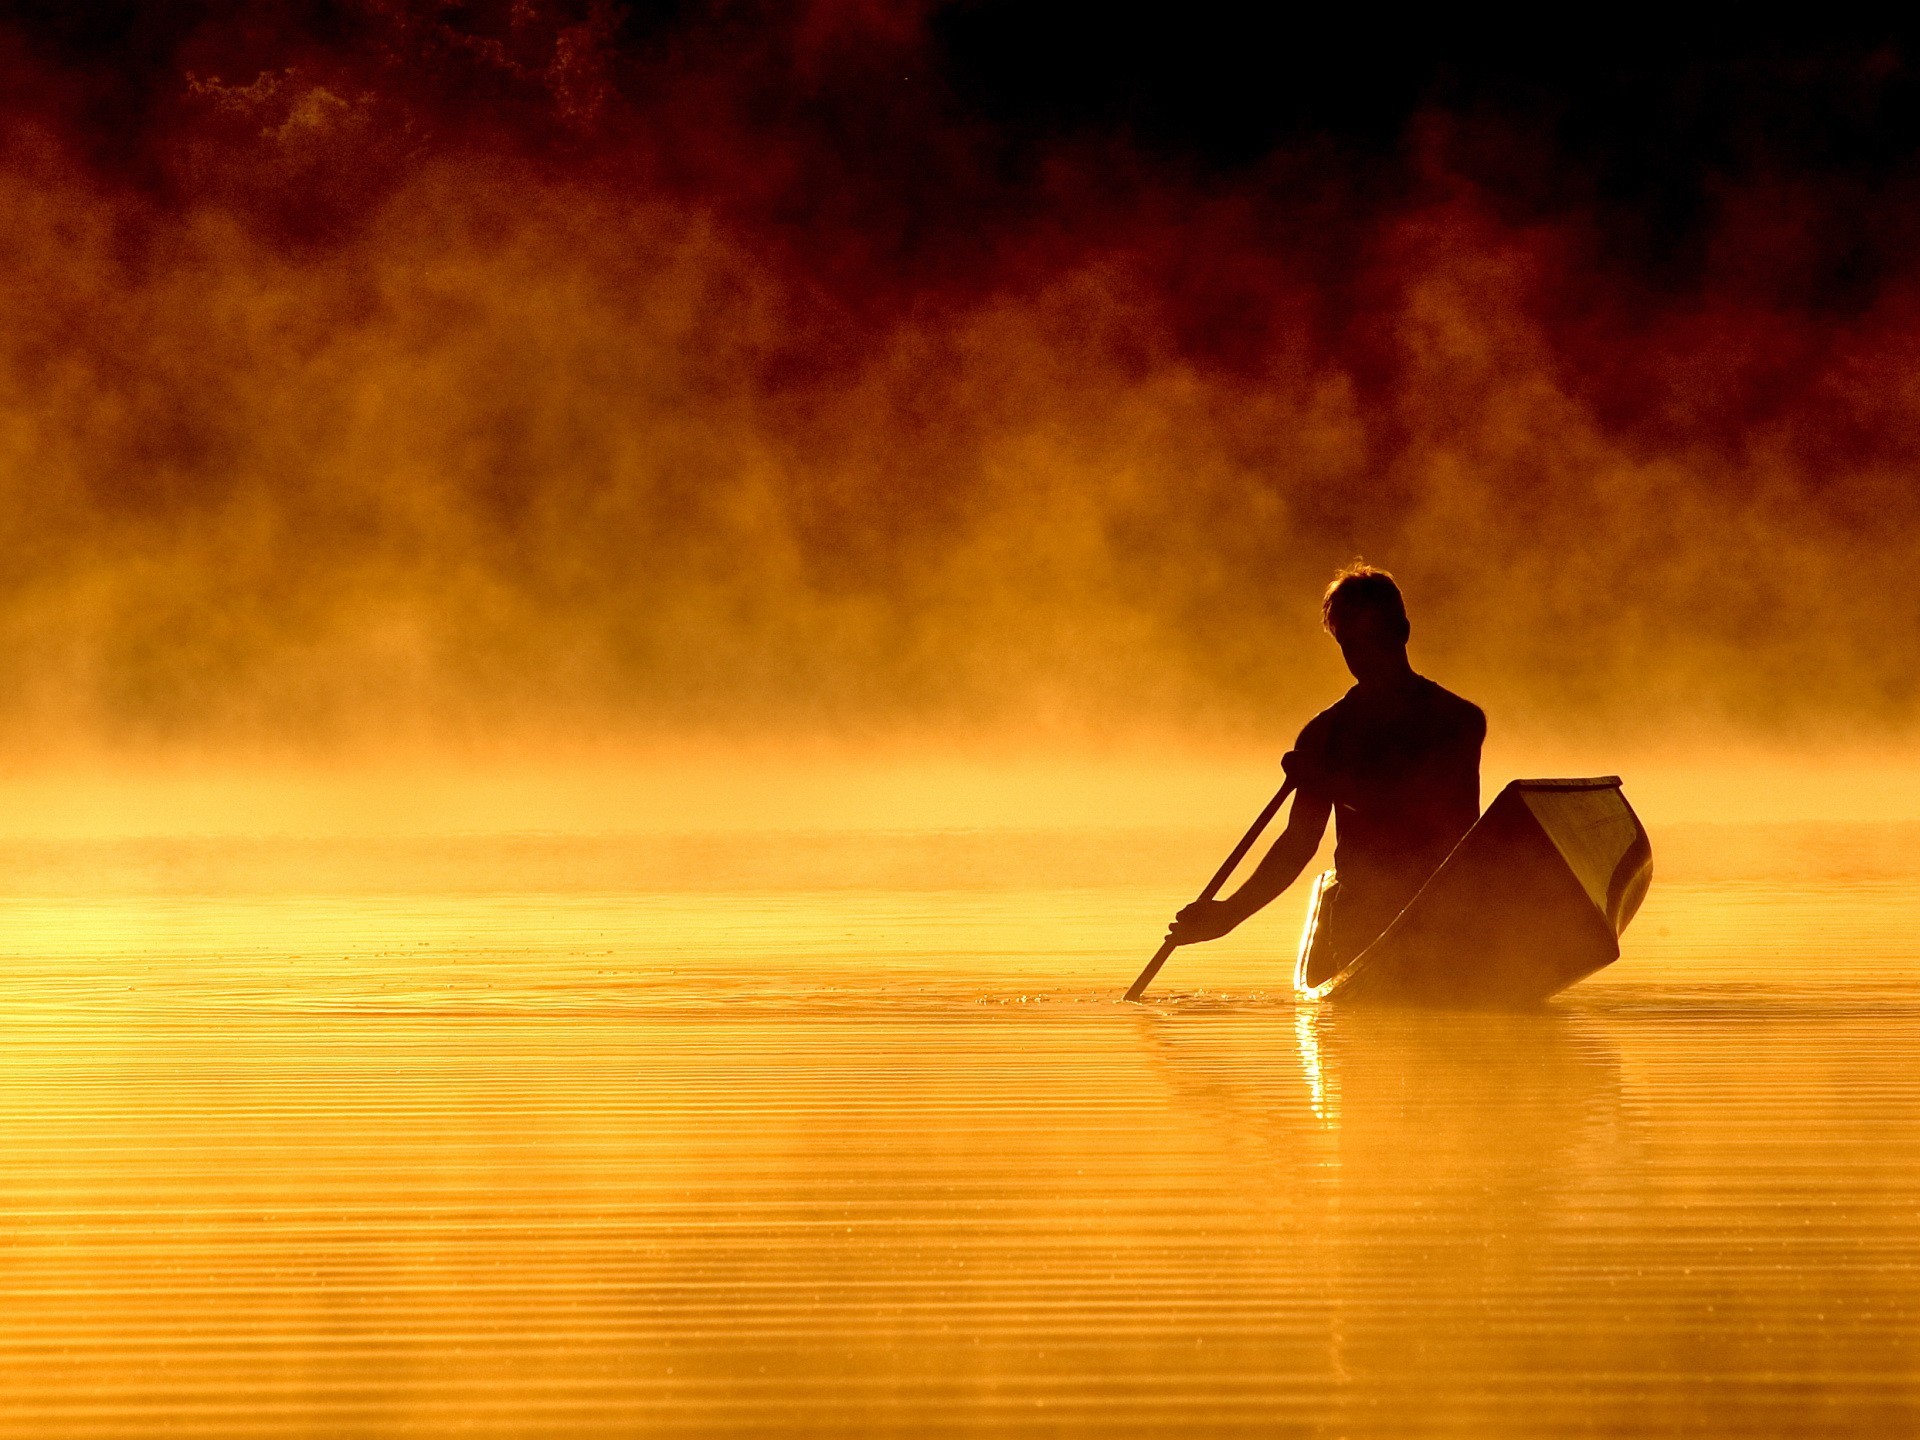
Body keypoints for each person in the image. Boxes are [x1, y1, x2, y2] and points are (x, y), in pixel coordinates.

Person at [1168, 564, 1485, 985]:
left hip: (1449, 915)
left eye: (1373, 639)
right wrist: (1229, 914)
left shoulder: (1457, 720)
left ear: (1403, 631)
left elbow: (1433, 812)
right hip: (1364, 920)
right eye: (1349, 644)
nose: (1363, 657)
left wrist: (1326, 782)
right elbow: (1298, 843)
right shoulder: (1324, 734)